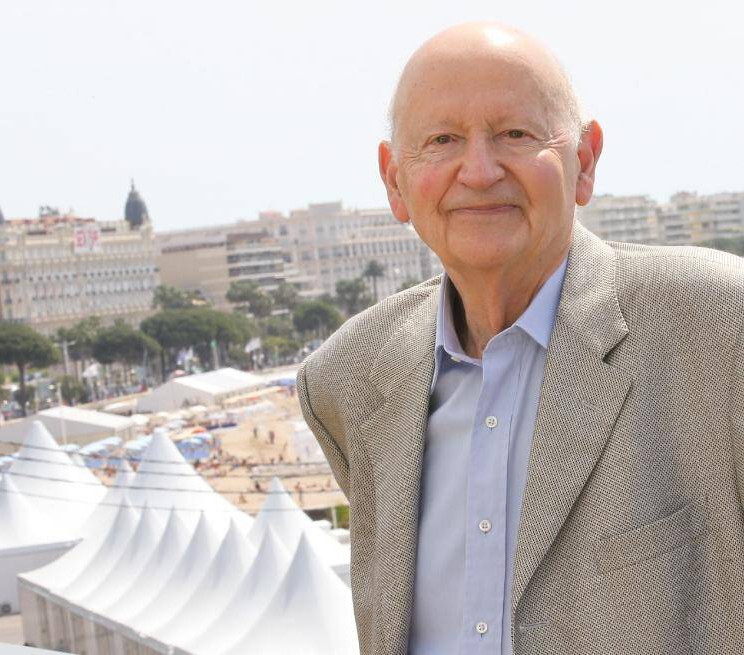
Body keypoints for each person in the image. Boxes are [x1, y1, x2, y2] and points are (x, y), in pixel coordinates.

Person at [297, 22, 744, 655]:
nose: (478, 171)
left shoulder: (718, 326)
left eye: (515, 134)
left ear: (584, 162)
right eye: (442, 140)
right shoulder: (349, 379)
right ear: (395, 181)